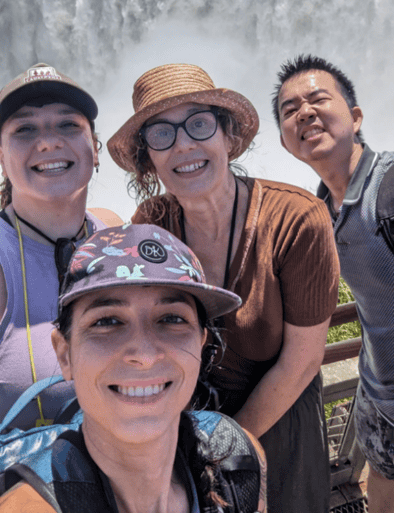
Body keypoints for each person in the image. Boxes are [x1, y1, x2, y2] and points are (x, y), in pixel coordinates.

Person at [107, 62, 340, 513]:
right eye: (161, 134)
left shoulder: (297, 220)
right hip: (187, 426)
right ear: (147, 160)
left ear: (227, 136)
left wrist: (227, 452)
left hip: (279, 421)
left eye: (198, 124)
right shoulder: (152, 225)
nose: (184, 145)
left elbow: (302, 360)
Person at [0, 223, 267, 513]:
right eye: (107, 321)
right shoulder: (28, 507)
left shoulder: (238, 460)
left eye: (172, 319)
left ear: (201, 345)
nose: (145, 355)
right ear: (65, 355)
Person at [273, 54, 394, 513]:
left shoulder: (389, 185)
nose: (304, 112)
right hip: (377, 400)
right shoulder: (319, 213)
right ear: (286, 143)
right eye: (290, 110)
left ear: (356, 116)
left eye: (318, 99)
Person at [0, 63, 122, 430]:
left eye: (69, 124)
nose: (49, 141)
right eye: (24, 129)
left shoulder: (113, 232)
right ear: (1, 158)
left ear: (96, 150)